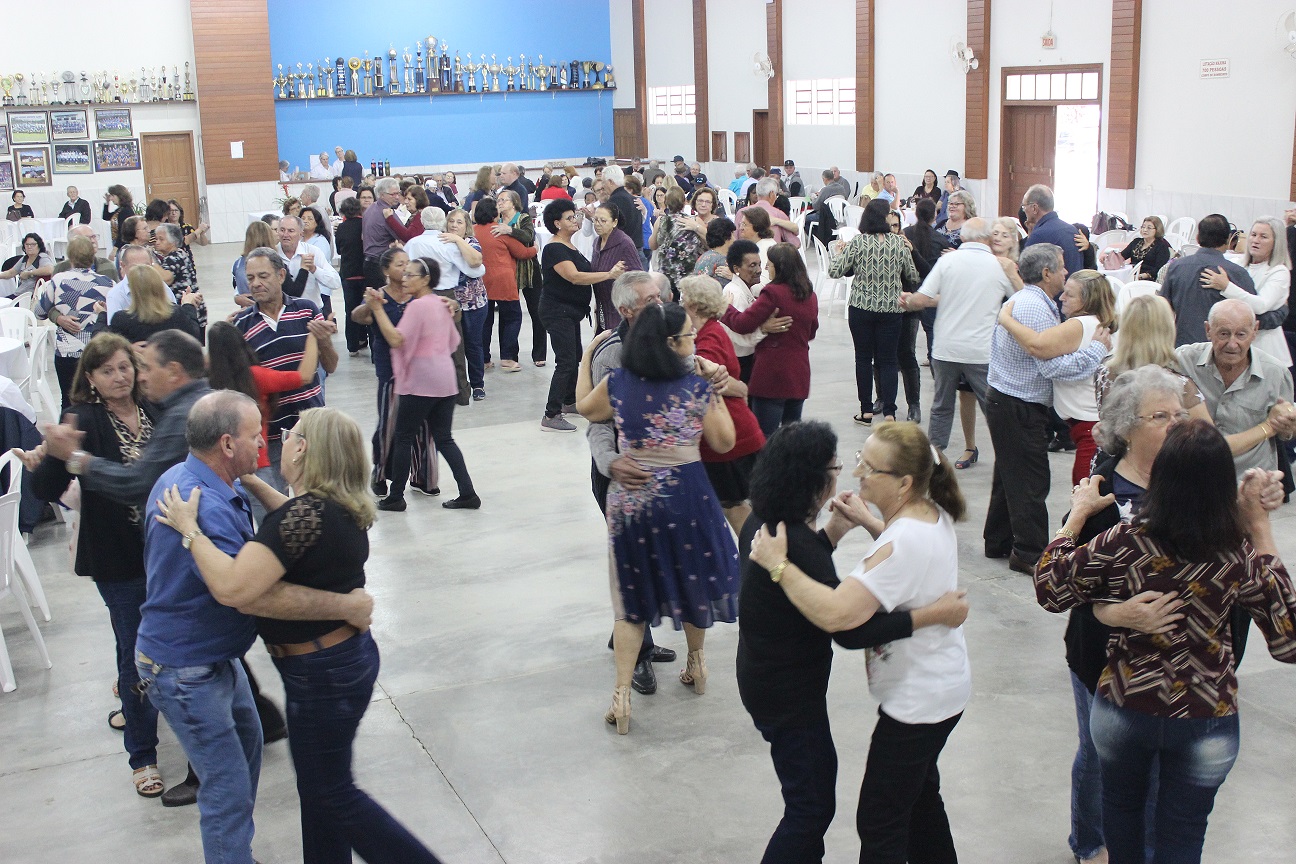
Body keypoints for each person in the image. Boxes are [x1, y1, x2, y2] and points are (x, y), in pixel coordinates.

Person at [153, 406, 444, 863]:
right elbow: (289, 518)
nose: (278, 439)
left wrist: (190, 532)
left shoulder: (302, 519)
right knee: (321, 791)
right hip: (339, 664)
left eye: (287, 434)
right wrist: (248, 479)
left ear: (304, 448)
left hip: (321, 673)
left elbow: (234, 588)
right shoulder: (331, 507)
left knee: (333, 795)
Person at [1035, 420, 1296, 864]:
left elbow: (1050, 587)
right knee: (1184, 835)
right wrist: (1260, 528)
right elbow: (1289, 641)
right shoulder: (1237, 557)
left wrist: (1077, 515)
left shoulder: (1126, 541)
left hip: (1124, 706)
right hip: (1205, 714)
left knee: (1121, 818)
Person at [136, 390, 372, 864]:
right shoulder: (202, 505)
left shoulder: (216, 485)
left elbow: (282, 518)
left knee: (247, 747)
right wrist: (346, 605)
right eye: (253, 435)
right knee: (227, 792)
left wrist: (248, 481)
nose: (266, 442)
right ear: (226, 444)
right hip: (187, 668)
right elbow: (241, 591)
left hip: (214, 657)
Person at [734, 420, 968, 863]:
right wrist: (932, 614)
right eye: (846, 464)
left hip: (779, 683)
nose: (856, 473)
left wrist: (839, 530)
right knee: (813, 806)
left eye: (866, 466)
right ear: (816, 481)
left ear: (903, 483)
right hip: (789, 695)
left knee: (905, 803)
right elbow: (847, 626)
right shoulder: (797, 547)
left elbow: (838, 575)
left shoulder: (766, 524)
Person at [576, 302, 739, 734]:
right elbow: (724, 443)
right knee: (693, 581)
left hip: (634, 500)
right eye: (689, 336)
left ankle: (622, 696)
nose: (694, 342)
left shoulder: (619, 382)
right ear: (671, 343)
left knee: (629, 598)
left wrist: (584, 359)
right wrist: (715, 393)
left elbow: (586, 410)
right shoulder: (695, 384)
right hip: (687, 493)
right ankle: (697, 665)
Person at [22, 334, 161, 797]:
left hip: (167, 552)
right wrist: (47, 457)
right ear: (92, 379)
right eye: (108, 371)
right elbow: (44, 489)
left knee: (170, 643)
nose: (120, 377)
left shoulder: (157, 412)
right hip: (117, 558)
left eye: (125, 367)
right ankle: (142, 755)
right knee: (134, 649)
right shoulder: (83, 420)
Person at [983, 244, 1109, 574]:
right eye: (1063, 268)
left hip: (1008, 400)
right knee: (1030, 481)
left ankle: (997, 540)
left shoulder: (1031, 302)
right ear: (1047, 273)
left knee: (1010, 475)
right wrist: (1097, 351)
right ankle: (1029, 552)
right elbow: (1050, 367)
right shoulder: (1035, 308)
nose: (1066, 274)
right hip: (1018, 403)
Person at [585, 271, 679, 696]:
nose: (659, 305)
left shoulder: (669, 341)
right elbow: (598, 424)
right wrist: (612, 464)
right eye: (649, 301)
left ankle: (634, 636)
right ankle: (637, 657)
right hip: (621, 477)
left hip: (660, 475)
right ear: (626, 310)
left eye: (660, 296)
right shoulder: (613, 354)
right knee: (632, 569)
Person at [365, 257, 477, 512]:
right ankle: (468, 492)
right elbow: (452, 341)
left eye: (410, 275)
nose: (404, 279)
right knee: (444, 438)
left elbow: (396, 339)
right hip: (445, 379)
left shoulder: (418, 307)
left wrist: (378, 309)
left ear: (426, 279)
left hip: (421, 381)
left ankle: (395, 497)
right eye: (403, 274)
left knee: (403, 437)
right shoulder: (440, 304)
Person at [995, 270, 1118, 485]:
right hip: (1088, 426)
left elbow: (1038, 348)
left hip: (1090, 428)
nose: (1062, 297)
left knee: (1083, 496)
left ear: (1087, 300)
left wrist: (1005, 319)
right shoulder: (1096, 324)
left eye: (1070, 295)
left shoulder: (1079, 325)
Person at [232, 248, 338, 493]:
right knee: (277, 508)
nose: (256, 284)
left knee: (318, 500)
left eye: (263, 276)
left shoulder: (307, 310)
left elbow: (330, 365)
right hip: (270, 436)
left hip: (310, 428)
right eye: (250, 278)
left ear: (281, 275)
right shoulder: (241, 325)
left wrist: (322, 341)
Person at [679, 275, 765, 533]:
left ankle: (759, 563)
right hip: (737, 430)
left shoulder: (708, 338)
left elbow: (707, 377)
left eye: (684, 299)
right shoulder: (711, 330)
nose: (680, 303)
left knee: (734, 506)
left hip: (729, 436)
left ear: (694, 305)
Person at [1175, 299, 1296, 477]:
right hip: (1194, 478)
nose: (1232, 344)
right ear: (1208, 330)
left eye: (1241, 335)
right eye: (1224, 334)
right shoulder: (1184, 361)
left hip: (1251, 480)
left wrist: (1287, 426)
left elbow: (1287, 434)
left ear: (1255, 331)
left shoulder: (1275, 373)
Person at [206, 320, 319, 510]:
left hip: (222, 469)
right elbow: (305, 376)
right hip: (256, 464)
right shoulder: (254, 377)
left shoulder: (208, 382)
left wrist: (218, 332)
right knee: (277, 519)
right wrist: (313, 337)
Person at [350, 248, 437, 496]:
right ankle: (380, 475)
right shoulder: (380, 296)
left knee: (423, 426)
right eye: (400, 264)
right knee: (388, 425)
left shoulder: (419, 295)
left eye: (408, 264)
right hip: (390, 370)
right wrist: (370, 305)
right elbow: (357, 317)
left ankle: (422, 477)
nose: (405, 269)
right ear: (386, 270)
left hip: (420, 370)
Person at [539, 199, 625, 432]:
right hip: (557, 311)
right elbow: (574, 277)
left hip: (570, 311)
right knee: (566, 361)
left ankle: (568, 401)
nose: (574, 220)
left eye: (574, 216)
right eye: (569, 218)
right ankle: (551, 413)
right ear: (557, 223)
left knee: (574, 356)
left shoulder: (570, 246)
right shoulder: (554, 248)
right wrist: (608, 275)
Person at [831, 199, 920, 424]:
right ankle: (890, 412)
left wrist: (839, 252)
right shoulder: (899, 244)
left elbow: (835, 271)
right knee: (889, 360)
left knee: (863, 358)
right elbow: (913, 276)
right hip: (892, 309)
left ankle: (866, 411)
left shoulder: (858, 243)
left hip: (861, 307)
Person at [722, 243, 818, 436]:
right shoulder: (810, 294)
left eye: (769, 264)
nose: (765, 268)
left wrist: (725, 308)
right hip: (799, 372)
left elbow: (742, 324)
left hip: (772, 373)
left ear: (779, 267)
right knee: (792, 437)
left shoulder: (773, 293)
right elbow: (812, 332)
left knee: (764, 436)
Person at [408, 208, 488, 399]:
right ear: (443, 222)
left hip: (467, 301)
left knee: (467, 344)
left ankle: (470, 386)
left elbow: (476, 265)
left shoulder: (414, 243)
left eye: (459, 222)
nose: (454, 225)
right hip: (449, 298)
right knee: (455, 347)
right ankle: (460, 391)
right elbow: (477, 269)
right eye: (451, 221)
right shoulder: (444, 242)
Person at [1201, 216, 1292, 367]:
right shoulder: (1237, 264)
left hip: (1266, 350)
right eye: (1254, 235)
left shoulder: (1279, 272)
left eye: (1263, 237)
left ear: (1276, 243)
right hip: (1235, 350)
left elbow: (1261, 305)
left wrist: (1226, 286)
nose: (1256, 240)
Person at [35, 237, 113, 409]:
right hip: (96, 350)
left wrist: (57, 315)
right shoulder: (107, 283)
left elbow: (39, 312)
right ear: (92, 256)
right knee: (100, 402)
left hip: (68, 352)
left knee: (68, 401)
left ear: (69, 256)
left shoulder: (58, 281)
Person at [1159, 214, 1257, 346]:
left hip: (1182, 347)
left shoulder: (1177, 267)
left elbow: (1164, 308)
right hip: (1224, 350)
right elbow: (1252, 312)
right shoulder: (1237, 273)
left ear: (1198, 238)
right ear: (1228, 240)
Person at [472, 197, 534, 373]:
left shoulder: (473, 231)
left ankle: (484, 359)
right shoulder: (498, 230)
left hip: (481, 280)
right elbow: (522, 252)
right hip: (503, 280)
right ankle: (507, 357)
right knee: (513, 317)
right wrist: (535, 248)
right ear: (494, 213)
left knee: (485, 321)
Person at [492, 190, 547, 368]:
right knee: (507, 314)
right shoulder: (496, 221)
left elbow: (529, 237)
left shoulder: (522, 218)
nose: (499, 202)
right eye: (498, 200)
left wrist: (509, 230)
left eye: (503, 200)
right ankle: (509, 355)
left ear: (514, 202)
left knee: (537, 312)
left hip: (529, 270)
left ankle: (539, 353)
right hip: (508, 272)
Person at [106, 264, 202, 344]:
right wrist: (188, 305)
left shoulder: (121, 320)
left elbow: (110, 346)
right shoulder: (176, 314)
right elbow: (193, 334)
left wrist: (102, 316)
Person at [591, 203, 644, 332]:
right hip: (602, 309)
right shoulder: (597, 242)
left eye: (603, 221)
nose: (598, 224)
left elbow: (639, 276)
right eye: (595, 220)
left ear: (614, 222)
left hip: (620, 312)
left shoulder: (624, 243)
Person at [277, 215, 341, 316]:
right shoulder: (273, 254)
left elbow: (335, 283)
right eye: (282, 230)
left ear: (301, 234)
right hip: (283, 315)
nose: (285, 234)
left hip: (311, 313)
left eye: (291, 231)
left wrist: (314, 269)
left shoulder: (313, 251)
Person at [154, 223, 207, 335]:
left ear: (172, 241)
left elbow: (166, 278)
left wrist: (151, 262)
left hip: (188, 311)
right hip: (194, 309)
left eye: (161, 239)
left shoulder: (174, 257)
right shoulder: (179, 253)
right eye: (156, 238)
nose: (157, 242)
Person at [334, 196, 368, 353]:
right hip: (364, 271)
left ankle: (352, 346)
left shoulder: (342, 228)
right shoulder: (365, 224)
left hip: (348, 273)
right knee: (367, 307)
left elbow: (339, 250)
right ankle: (363, 337)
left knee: (350, 310)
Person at [362, 178, 404, 289]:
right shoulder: (386, 212)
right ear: (381, 195)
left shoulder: (370, 209)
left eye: (398, 193)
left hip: (369, 262)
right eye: (393, 194)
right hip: (380, 264)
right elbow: (402, 235)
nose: (396, 197)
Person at [737, 178, 801, 249]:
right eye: (776, 195)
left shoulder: (741, 213)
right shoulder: (778, 214)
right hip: (772, 257)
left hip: (744, 256)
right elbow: (795, 244)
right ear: (771, 194)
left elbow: (734, 239)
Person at [232, 221, 276, 307]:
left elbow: (236, 285)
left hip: (247, 310)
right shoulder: (274, 261)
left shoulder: (238, 264)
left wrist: (236, 297)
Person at [0, 232, 54, 297]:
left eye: (33, 244)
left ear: (39, 246)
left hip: (30, 297)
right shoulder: (25, 258)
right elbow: (11, 272)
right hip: (19, 293)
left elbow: (50, 269)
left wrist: (29, 273)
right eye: (27, 244)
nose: (29, 247)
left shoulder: (42, 257)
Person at [1118, 217, 1172, 282]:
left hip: (1149, 280)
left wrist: (1140, 276)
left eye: (1149, 228)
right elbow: (1122, 256)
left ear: (1157, 230)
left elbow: (1159, 269)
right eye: (1143, 227)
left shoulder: (1161, 246)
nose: (1145, 230)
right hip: (1132, 275)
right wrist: (1109, 258)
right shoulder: (1136, 242)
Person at [693, 217, 736, 281]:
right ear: (728, 236)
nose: (735, 239)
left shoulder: (703, 257)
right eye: (733, 234)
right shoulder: (723, 262)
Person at [102, 185, 135, 249]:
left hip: (123, 245)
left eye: (113, 196)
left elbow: (122, 231)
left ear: (120, 196)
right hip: (119, 244)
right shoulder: (120, 210)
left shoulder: (125, 211)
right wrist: (107, 203)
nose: (111, 199)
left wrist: (116, 247)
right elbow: (106, 217)